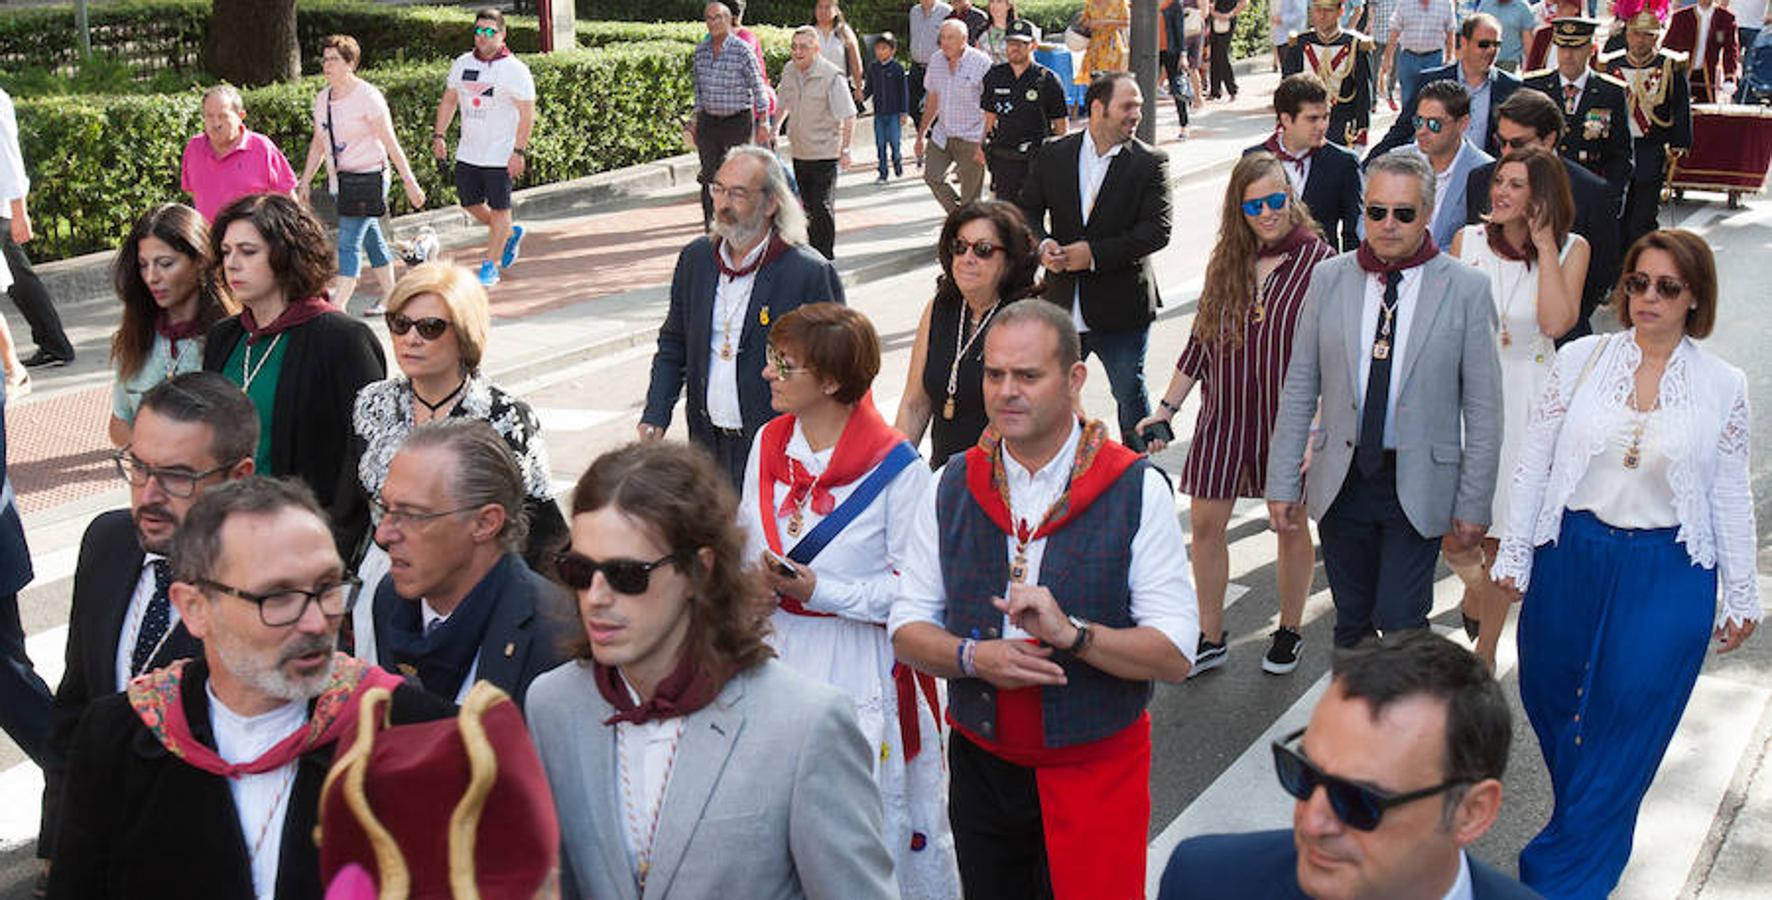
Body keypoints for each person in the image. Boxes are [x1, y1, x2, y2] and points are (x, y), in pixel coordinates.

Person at [890, 298, 1197, 900]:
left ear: (1074, 379)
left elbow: (1175, 654)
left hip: (1096, 769)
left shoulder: (1136, 489)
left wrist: (1074, 635)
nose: (1007, 391)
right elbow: (906, 625)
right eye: (994, 374)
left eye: (1028, 375)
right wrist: (974, 659)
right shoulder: (950, 483)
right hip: (982, 766)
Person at [1492, 229, 1760, 896]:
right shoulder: (1580, 360)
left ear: (1694, 297)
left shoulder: (1724, 386)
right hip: (1572, 555)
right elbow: (1534, 464)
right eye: (1638, 282)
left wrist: (1743, 594)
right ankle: (1585, 834)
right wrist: (1518, 550)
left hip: (1667, 573)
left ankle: (1559, 879)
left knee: (1628, 722)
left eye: (1667, 287)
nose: (1648, 297)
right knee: (1553, 701)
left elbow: (1729, 491)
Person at [48, 476, 455, 899]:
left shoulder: (419, 736)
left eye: (327, 588)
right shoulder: (120, 738)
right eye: (277, 597)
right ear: (195, 608)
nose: (316, 622)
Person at [527, 441, 898, 900]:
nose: (597, 598)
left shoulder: (805, 725)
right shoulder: (552, 705)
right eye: (580, 571)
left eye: (627, 575)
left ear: (699, 570)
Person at [739, 304, 962, 898]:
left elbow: (913, 592)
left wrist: (821, 592)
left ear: (832, 382)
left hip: (857, 664)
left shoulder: (897, 469)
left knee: (853, 820)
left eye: (784, 364)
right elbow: (743, 537)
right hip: (774, 653)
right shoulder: (766, 443)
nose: (768, 374)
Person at [1266, 151, 1503, 649]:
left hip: (1418, 481)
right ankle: (1354, 724)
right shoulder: (1329, 278)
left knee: (1400, 617)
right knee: (1350, 620)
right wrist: (1283, 480)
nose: (1388, 225)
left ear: (1428, 215)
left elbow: (1483, 411)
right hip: (1343, 477)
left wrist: (1474, 502)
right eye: (1376, 212)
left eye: (1403, 213)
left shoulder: (1466, 289)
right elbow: (1300, 384)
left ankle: (1404, 722)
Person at [39, 373, 257, 866]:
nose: (149, 494)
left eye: (177, 476)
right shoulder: (108, 542)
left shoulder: (266, 594)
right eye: (138, 466)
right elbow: (74, 703)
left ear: (239, 477)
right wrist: (58, 843)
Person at [1136, 153, 1334, 677]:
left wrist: (1317, 428)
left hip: (1287, 420)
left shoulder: (1322, 262)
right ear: (1239, 210)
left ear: (1291, 199)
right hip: (1224, 416)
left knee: (1289, 524)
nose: (1267, 214)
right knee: (1204, 522)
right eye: (1254, 206)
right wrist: (1165, 409)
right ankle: (1210, 633)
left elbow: (1332, 355)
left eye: (1275, 201)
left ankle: (1289, 629)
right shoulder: (1227, 259)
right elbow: (1201, 342)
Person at [1157, 632, 1538, 900]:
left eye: (1359, 799)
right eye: (1304, 774)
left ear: (1472, 811)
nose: (1311, 823)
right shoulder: (1204, 882)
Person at [348, 262, 569, 659]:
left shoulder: (504, 415)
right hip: (386, 575)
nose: (410, 338)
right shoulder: (372, 403)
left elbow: (539, 525)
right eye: (400, 324)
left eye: (430, 327)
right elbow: (349, 505)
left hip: (474, 585)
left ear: (464, 333)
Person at [1450, 146, 1588, 663]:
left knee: (1499, 537)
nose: (1500, 192)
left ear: (1542, 198)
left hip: (1529, 398)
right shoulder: (1466, 242)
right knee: (1455, 538)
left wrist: (1546, 245)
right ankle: (1472, 588)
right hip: (1470, 396)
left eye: (1515, 185)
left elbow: (1555, 324)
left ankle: (1484, 654)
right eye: (1499, 182)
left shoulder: (1573, 249)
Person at [640, 146, 845, 488]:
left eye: (737, 193)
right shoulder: (696, 260)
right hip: (708, 447)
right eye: (717, 189)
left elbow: (835, 369)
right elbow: (674, 343)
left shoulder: (807, 272)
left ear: (770, 203)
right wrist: (656, 412)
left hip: (781, 450)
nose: (723, 204)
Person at [201, 193, 386, 558]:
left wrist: (336, 548)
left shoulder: (342, 339)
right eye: (225, 252)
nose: (232, 264)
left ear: (287, 254)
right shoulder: (225, 337)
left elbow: (366, 457)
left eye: (248, 251)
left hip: (305, 547)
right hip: (228, 539)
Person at [368, 420, 574, 709]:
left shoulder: (555, 633)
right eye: (385, 510)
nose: (383, 534)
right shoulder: (391, 599)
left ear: (485, 523)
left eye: (412, 515)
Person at [1020, 72, 1173, 452]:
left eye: (1138, 105)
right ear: (1098, 108)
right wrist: (1044, 246)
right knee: (1053, 392)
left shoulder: (1150, 162)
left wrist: (1093, 255)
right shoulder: (1054, 153)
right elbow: (1025, 210)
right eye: (1128, 105)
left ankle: (1137, 471)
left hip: (1122, 307)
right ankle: (1069, 463)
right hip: (1061, 304)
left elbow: (1157, 231)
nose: (1136, 114)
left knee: (1127, 389)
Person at [1463, 89, 1619, 344]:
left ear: (1549, 140)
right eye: (1501, 142)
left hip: (1556, 343)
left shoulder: (1591, 192)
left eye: (1518, 143)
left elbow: (1600, 275)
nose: (1506, 151)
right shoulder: (1481, 180)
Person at [895, 201, 1044, 468]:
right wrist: (891, 474)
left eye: (983, 250)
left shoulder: (1028, 320)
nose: (967, 258)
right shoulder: (940, 308)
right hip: (945, 477)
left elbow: (1041, 420)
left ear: (1011, 260)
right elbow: (914, 404)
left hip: (1007, 480)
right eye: (959, 247)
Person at [297, 34, 426, 315]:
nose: (326, 65)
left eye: (334, 59)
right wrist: (305, 180)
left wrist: (409, 182)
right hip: (340, 181)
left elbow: (390, 142)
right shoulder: (323, 99)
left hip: (370, 179)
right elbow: (319, 143)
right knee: (372, 239)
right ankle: (393, 296)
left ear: (350, 63)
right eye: (325, 59)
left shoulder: (368, 97)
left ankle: (338, 305)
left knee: (348, 240)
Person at [106, 203, 237, 448]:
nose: (152, 277)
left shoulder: (233, 337)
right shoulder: (136, 337)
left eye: (165, 263)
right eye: (144, 265)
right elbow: (120, 422)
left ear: (200, 261)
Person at [431, 8, 536, 288]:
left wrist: (519, 151)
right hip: (469, 150)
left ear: (502, 35)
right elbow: (450, 100)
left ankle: (490, 264)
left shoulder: (515, 70)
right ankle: (508, 233)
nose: (483, 36)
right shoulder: (463, 63)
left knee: (501, 209)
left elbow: (527, 114)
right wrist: (439, 135)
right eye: (479, 31)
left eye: (490, 31)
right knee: (470, 204)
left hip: (500, 154)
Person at [1600, 1, 1694, 269]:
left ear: (1657, 37)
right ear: (1626, 33)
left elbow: (1680, 107)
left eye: (1647, 35)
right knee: (1615, 214)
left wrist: (1679, 143)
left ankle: (1640, 268)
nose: (1639, 41)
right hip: (1615, 151)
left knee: (1642, 218)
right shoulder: (1611, 65)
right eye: (1635, 33)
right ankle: (1614, 272)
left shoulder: (1670, 66)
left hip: (1650, 148)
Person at [1368, 13, 1524, 159]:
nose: (1491, 50)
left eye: (1496, 44)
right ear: (1464, 42)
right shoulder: (1431, 81)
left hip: (1485, 179)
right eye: (1484, 44)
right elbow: (1403, 129)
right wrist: (1368, 164)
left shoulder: (1511, 88)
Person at [1523, 17, 1633, 216]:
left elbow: (1621, 153)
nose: (1568, 55)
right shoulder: (1534, 87)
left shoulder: (1610, 92)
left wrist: (1612, 196)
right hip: (1541, 192)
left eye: (1576, 48)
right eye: (1562, 48)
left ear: (1591, 50)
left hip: (1590, 194)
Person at [1, 84, 75, 371]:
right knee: (18, 277)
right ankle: (54, 342)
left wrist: (20, 212)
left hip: (1, 207)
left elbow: (8, 160)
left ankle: (53, 343)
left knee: (19, 277)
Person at [1248, 73, 1364, 251]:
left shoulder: (1343, 163)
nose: (1322, 126)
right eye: (1312, 119)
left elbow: (1354, 232)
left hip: (1320, 271)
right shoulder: (1254, 158)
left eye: (1325, 117)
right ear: (1286, 119)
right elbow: (1240, 227)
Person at [688, 2, 773, 231]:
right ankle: (712, 228)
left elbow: (758, 86)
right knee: (709, 177)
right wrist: (695, 118)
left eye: (718, 18)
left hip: (737, 121)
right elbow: (698, 90)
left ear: (728, 20)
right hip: (709, 122)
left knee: (737, 177)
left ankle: (740, 225)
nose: (713, 23)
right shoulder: (701, 51)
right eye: (709, 18)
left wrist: (764, 120)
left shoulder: (742, 50)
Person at [778, 25, 858, 261]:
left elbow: (848, 114)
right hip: (800, 151)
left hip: (825, 151)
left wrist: (846, 149)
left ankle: (825, 258)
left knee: (822, 205)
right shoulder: (789, 70)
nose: (797, 51)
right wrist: (772, 129)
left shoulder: (832, 75)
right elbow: (783, 104)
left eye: (803, 47)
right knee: (809, 207)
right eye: (794, 47)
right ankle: (812, 253)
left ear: (816, 49)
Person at [179, 85, 298, 224]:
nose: (216, 123)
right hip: (208, 241)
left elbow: (289, 201)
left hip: (252, 241)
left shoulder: (262, 148)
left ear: (240, 116)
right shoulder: (194, 148)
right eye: (209, 116)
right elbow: (195, 194)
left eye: (223, 116)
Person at [980, 20, 1069, 203]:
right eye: (1011, 43)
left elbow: (1060, 124)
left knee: (1033, 212)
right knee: (1006, 212)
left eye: (1021, 43)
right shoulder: (994, 76)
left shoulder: (1047, 79)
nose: (1015, 48)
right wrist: (980, 145)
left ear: (1033, 45)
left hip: (1036, 158)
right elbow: (988, 117)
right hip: (1004, 157)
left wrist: (1060, 157)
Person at [1400, 80, 1494, 249]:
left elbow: (1480, 241)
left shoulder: (1484, 172)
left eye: (1434, 124)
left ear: (1462, 124)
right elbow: (1366, 217)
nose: (1422, 131)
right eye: (1419, 121)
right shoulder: (1397, 161)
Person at [917, 20, 995, 213]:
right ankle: (958, 217)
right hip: (943, 134)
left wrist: (984, 142)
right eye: (942, 38)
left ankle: (965, 228)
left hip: (972, 137)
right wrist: (920, 135)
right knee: (932, 177)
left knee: (971, 198)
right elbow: (933, 99)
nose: (945, 42)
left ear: (964, 39)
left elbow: (992, 107)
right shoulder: (936, 60)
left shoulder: (982, 63)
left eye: (950, 37)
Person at [1282, 0, 1377, 146]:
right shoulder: (1299, 43)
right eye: (1318, 10)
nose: (1322, 15)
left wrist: (1362, 128)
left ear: (1341, 11)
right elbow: (1287, 89)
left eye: (1328, 10)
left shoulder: (1356, 46)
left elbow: (1363, 92)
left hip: (1341, 127)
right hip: (1304, 125)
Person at [1378, 0, 1456, 103]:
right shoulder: (1405, 3)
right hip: (1408, 58)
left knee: (1432, 100)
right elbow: (1395, 30)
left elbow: (1450, 31)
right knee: (1408, 100)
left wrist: (1449, 58)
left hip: (1434, 60)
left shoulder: (1445, 3)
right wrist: (1388, 58)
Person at [1666, 0, 1742, 101]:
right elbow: (1667, 47)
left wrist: (1729, 77)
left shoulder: (1725, 18)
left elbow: (1731, 50)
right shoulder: (1681, 17)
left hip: (1708, 76)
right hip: (1681, 74)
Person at [864, 33, 912, 183]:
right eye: (877, 49)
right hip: (879, 113)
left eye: (884, 49)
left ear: (892, 51)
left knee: (894, 142)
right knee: (880, 143)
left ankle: (897, 161)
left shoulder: (897, 68)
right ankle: (883, 172)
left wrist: (904, 112)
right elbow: (869, 88)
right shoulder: (873, 68)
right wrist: (859, 97)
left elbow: (903, 92)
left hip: (894, 114)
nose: (880, 52)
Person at [909, 0, 955, 140]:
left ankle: (936, 142)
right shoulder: (914, 11)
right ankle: (923, 137)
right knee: (912, 105)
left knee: (935, 107)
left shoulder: (946, 11)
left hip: (937, 67)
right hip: (916, 66)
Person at [812, 0, 866, 103]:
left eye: (827, 7)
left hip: (839, 89)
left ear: (836, 10)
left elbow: (855, 62)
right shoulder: (809, 32)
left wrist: (858, 87)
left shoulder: (845, 32)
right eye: (820, 7)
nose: (823, 11)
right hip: (813, 89)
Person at [1077, 0, 1132, 84]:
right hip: (1094, 46)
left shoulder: (1119, 2)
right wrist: (1090, 24)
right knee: (1094, 80)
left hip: (1112, 45)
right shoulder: (1090, 3)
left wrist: (1105, 22)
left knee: (1110, 80)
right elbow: (1084, 22)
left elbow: (1126, 22)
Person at [1476, 0, 1540, 71]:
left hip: (1511, 64)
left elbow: (1528, 42)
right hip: (1486, 62)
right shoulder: (1485, 4)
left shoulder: (1523, 7)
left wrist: (1533, 69)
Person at [1207, 0, 1249, 100]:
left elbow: (1244, 2)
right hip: (1214, 20)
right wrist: (1214, 13)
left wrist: (1230, 14)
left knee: (1222, 53)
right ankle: (1215, 90)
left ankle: (1232, 89)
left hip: (1228, 20)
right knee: (1214, 54)